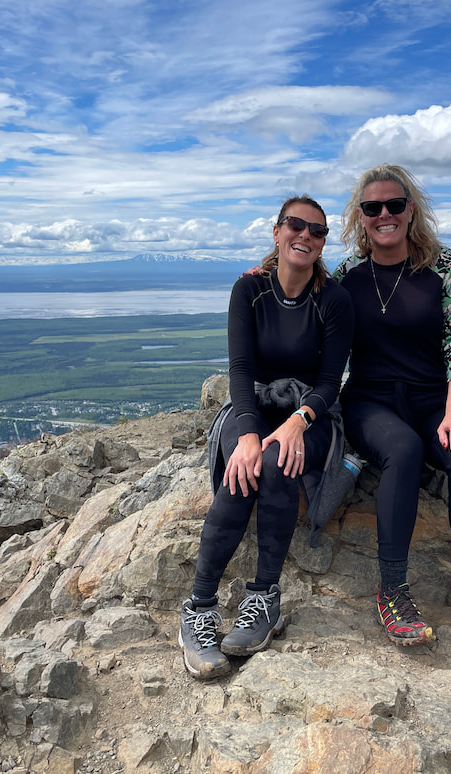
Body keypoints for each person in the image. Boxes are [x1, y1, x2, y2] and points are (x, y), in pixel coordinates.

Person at [180, 196, 354, 680]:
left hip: (311, 412)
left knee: (279, 462)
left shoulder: (334, 299)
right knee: (246, 462)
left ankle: (264, 598)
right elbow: (240, 369)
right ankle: (199, 608)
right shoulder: (249, 291)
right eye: (295, 225)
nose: (305, 235)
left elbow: (328, 382)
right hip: (252, 405)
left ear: (322, 243)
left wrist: (297, 422)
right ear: (277, 232)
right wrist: (248, 433)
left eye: (317, 231)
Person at [332, 164, 451, 647]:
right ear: (360, 218)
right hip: (371, 399)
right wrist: (265, 270)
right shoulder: (346, 277)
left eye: (395, 205)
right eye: (372, 207)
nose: (384, 214)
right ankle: (392, 588)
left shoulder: (442, 267)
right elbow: (298, 292)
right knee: (401, 450)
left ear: (411, 210)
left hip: (436, 397)